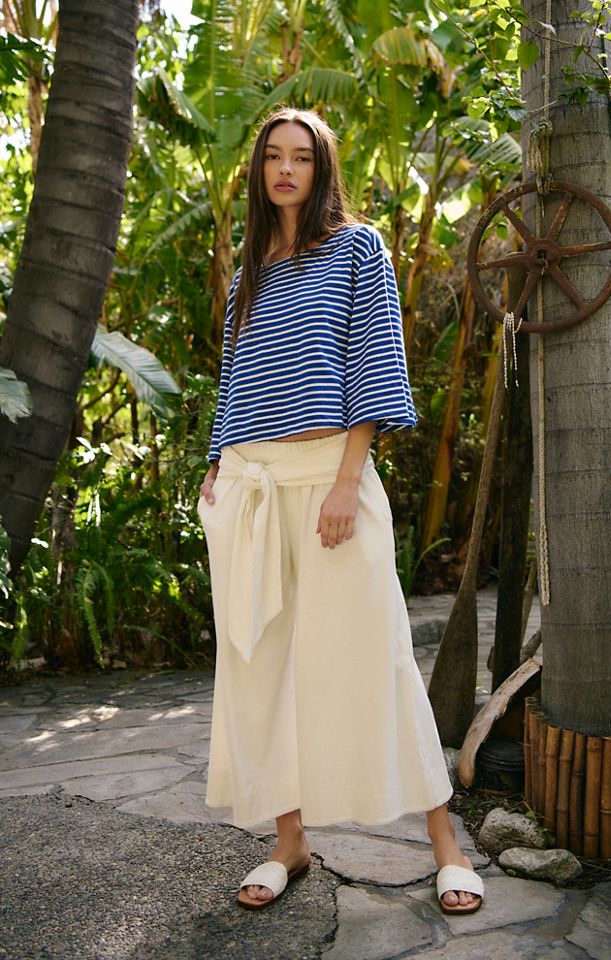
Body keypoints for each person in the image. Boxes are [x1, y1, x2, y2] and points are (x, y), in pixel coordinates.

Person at [197, 107, 484, 916]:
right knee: (259, 667)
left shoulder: (358, 249)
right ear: (260, 170)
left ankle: (447, 846)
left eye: (301, 157)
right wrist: (216, 466)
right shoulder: (249, 272)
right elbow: (235, 378)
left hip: (331, 478)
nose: (285, 170)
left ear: (322, 169)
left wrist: (347, 482)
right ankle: (288, 841)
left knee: (377, 655)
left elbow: (374, 364)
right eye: (273, 157)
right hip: (249, 485)